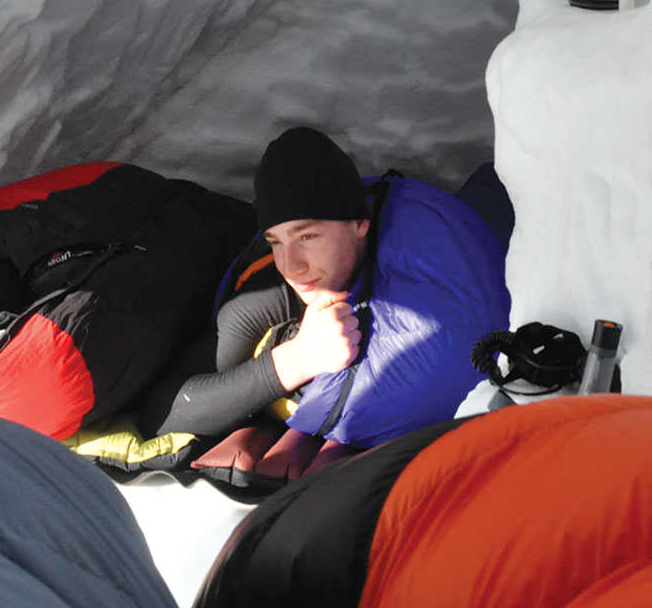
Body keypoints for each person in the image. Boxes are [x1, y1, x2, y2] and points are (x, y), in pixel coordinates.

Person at [140, 127, 512, 477]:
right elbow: (162, 414)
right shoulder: (270, 297)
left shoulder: (422, 249)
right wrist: (296, 360)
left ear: (359, 224)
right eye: (276, 241)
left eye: (307, 237)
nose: (291, 265)